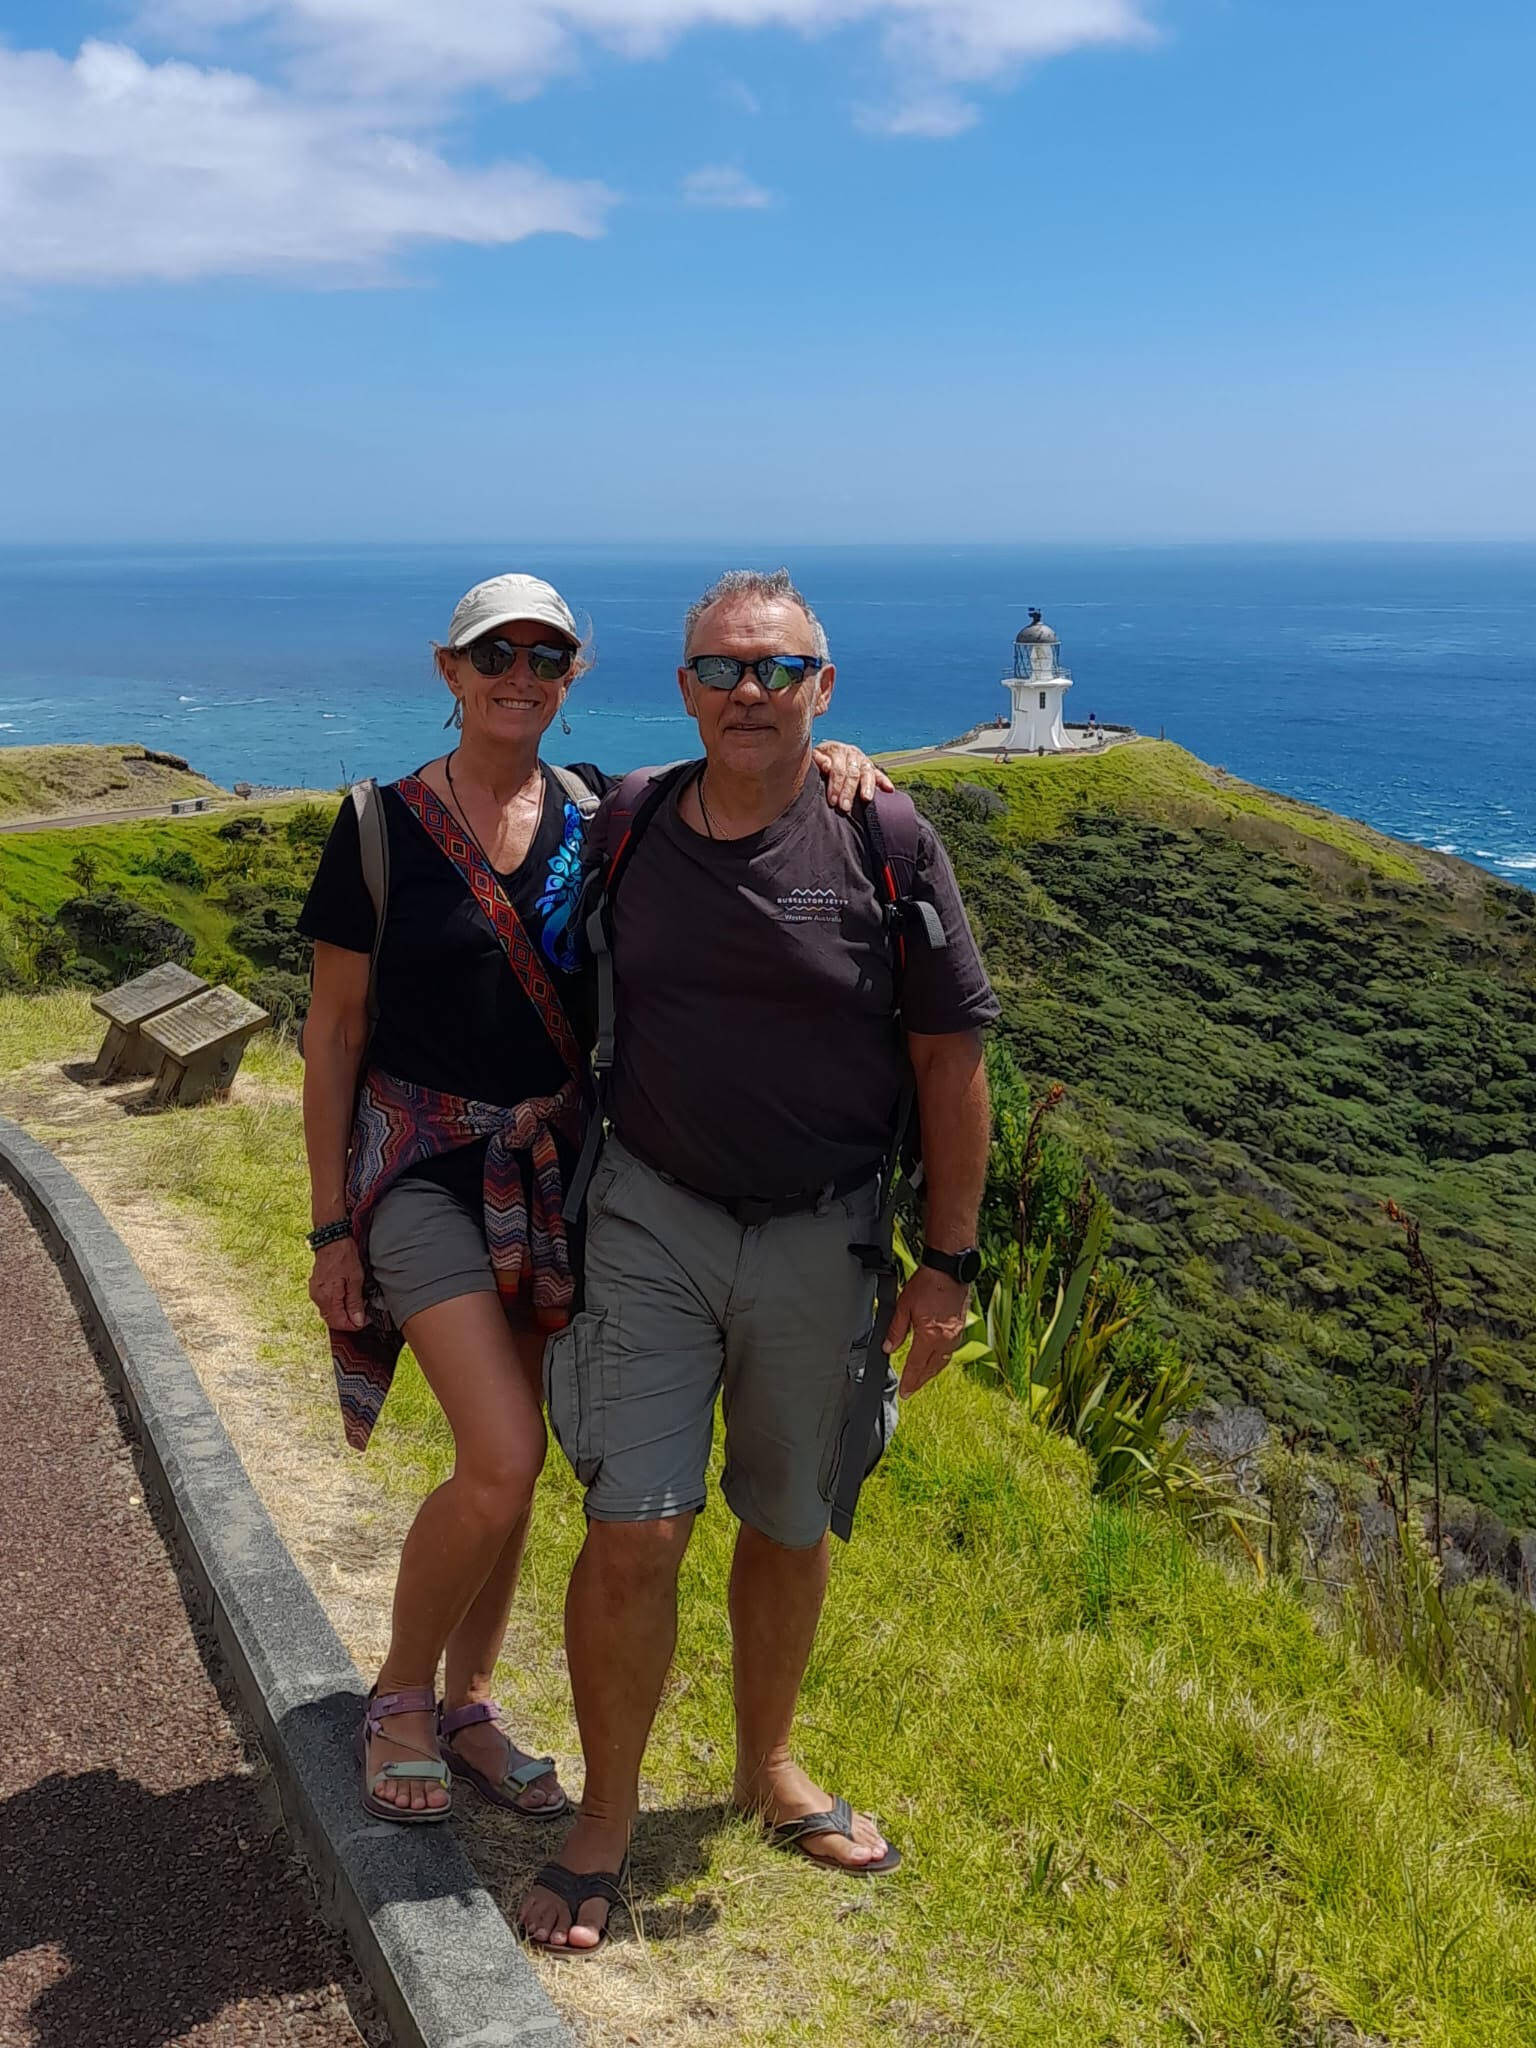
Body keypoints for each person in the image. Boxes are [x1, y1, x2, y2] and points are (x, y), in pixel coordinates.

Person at [298, 571, 885, 1826]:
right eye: (493, 653)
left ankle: (468, 1700)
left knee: (513, 1456)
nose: (520, 675)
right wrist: (328, 1222)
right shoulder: (378, 825)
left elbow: (746, 792)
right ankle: (399, 1693)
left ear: (575, 678)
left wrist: (839, 757)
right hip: (420, 1168)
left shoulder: (598, 814)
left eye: (547, 658)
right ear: (448, 670)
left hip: (555, 1173)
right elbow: (334, 1031)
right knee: (502, 1456)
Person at [520, 567, 997, 1953]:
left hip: (825, 1233)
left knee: (792, 1522)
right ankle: (605, 1814)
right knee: (636, 1528)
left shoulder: (885, 837)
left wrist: (949, 1263)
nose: (749, 692)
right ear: (681, 688)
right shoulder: (629, 820)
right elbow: (484, 847)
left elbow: (950, 1059)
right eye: (722, 669)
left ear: (825, 690)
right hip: (652, 1216)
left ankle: (765, 1767)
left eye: (778, 672)